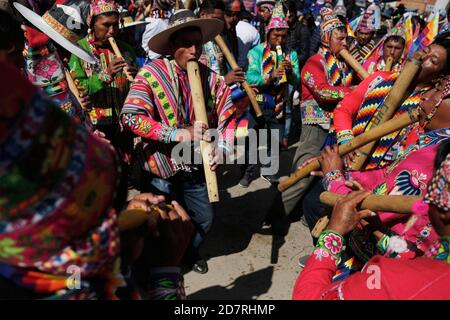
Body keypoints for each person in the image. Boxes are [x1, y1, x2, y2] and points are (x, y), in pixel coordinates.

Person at [120, 9, 237, 274]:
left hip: (195, 164)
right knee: (158, 220)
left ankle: (187, 253)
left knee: (204, 218)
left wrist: (223, 148)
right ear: (172, 46)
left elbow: (230, 119)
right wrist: (174, 134)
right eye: (186, 44)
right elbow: (130, 117)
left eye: (198, 43)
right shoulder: (150, 74)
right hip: (160, 163)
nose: (194, 50)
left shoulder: (213, 79)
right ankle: (159, 265)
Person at [292, 141, 450, 299]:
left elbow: (307, 296)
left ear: (444, 211)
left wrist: (333, 233)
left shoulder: (389, 280)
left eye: (432, 187)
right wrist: (378, 231)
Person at [267, 7, 352, 236]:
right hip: (316, 126)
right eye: (340, 37)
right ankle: (277, 215)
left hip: (334, 126)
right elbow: (324, 92)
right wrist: (353, 92)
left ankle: (294, 211)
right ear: (326, 37)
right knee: (304, 173)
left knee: (320, 174)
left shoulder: (340, 64)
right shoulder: (314, 63)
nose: (345, 43)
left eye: (346, 38)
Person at [242, 1, 300, 186]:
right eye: (276, 35)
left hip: (280, 102)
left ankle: (269, 171)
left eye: (283, 36)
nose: (280, 40)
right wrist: (269, 75)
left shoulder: (291, 54)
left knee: (274, 139)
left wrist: (290, 73)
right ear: (268, 33)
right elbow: (250, 77)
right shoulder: (256, 52)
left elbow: (297, 80)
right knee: (253, 138)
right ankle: (248, 172)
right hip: (259, 101)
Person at [69, 0, 138, 144]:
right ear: (92, 24)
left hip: (125, 119)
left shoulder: (126, 49)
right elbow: (77, 89)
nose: (112, 31)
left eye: (115, 25)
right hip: (96, 123)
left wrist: (137, 77)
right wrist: (106, 75)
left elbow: (137, 87)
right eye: (106, 25)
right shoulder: (78, 50)